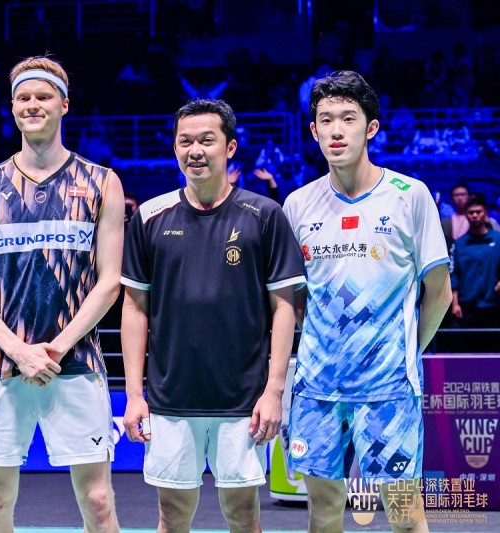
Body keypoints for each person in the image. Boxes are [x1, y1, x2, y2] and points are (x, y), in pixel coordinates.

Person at [0, 56, 123, 533]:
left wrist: (55, 349)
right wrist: (19, 350)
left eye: (43, 96)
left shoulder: (101, 182)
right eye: (23, 97)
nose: (33, 105)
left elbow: (109, 282)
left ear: (64, 104)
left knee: (98, 502)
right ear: (12, 108)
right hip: (2, 366)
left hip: (77, 363)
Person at [121, 98, 305, 532]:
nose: (195, 151)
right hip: (170, 399)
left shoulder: (264, 215)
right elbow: (134, 306)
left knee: (243, 515)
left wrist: (274, 391)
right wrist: (133, 394)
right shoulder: (149, 217)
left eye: (207, 140)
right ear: (175, 148)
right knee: (172, 516)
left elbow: (284, 307)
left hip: (242, 400)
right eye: (185, 142)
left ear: (230, 147)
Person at [282, 70, 452, 533]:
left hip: (389, 388)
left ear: (371, 127)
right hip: (317, 388)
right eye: (326, 120)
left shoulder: (409, 196)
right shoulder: (298, 204)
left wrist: (405, 351)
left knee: (405, 514)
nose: (336, 130)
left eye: (348, 118)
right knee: (323, 512)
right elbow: (294, 297)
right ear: (313, 130)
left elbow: (439, 292)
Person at [449, 197, 500, 330]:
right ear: (466, 215)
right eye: (471, 212)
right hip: (467, 306)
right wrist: (455, 304)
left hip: (494, 304)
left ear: (485, 213)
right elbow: (454, 275)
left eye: (478, 212)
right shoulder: (459, 244)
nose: (475, 215)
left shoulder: (498, 239)